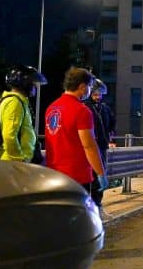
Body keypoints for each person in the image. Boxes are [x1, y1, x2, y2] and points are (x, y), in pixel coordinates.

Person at [44, 67, 108, 197]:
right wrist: (101, 173)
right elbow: (89, 146)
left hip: (54, 173)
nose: (90, 90)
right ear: (82, 87)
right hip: (77, 176)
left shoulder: (51, 108)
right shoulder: (82, 111)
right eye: (90, 87)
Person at [0, 64, 46, 163]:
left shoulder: (19, 101)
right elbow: (9, 135)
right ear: (25, 83)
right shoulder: (14, 102)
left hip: (16, 162)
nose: (35, 87)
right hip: (13, 163)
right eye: (33, 83)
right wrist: (19, 160)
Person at [84, 78, 116, 206]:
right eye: (95, 95)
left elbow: (112, 125)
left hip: (102, 147)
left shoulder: (105, 109)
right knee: (90, 176)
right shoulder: (85, 108)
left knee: (100, 174)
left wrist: (110, 138)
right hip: (89, 147)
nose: (98, 97)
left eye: (100, 94)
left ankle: (97, 202)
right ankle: (89, 203)